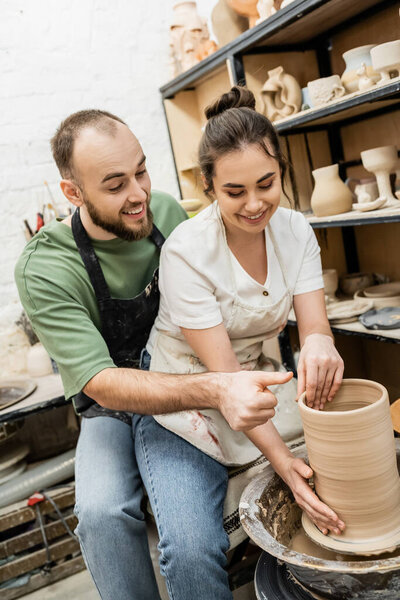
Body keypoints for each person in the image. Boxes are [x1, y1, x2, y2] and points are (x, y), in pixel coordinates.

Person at [14, 109, 297, 600]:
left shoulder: (165, 212)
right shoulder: (45, 267)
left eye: (141, 171)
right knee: (102, 513)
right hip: (113, 406)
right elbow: (101, 382)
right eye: (116, 184)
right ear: (73, 193)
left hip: (190, 377)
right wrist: (218, 387)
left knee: (196, 537)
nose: (139, 194)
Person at [147, 86, 346, 593]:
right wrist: (284, 465)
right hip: (186, 393)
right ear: (209, 186)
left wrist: (321, 344)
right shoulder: (187, 252)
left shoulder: (296, 230)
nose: (255, 204)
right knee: (193, 546)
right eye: (235, 192)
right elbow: (226, 382)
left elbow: (315, 326)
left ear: (281, 171)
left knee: (345, 471)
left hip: (256, 377)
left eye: (267, 183)